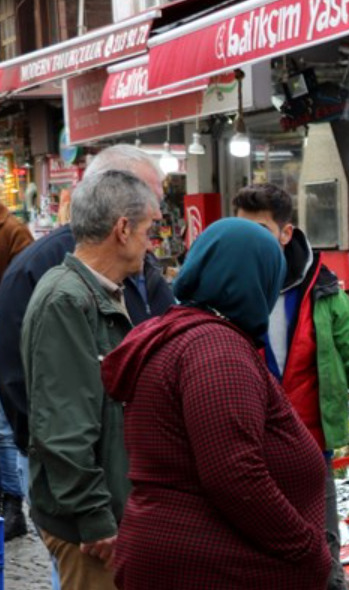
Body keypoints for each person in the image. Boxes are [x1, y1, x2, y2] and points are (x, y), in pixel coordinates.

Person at [101, 218, 331, 590]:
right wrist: (307, 549)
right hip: (208, 568)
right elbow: (234, 474)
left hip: (189, 559)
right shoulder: (216, 350)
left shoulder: (186, 332)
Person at [234, 183, 349, 589]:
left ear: (286, 233)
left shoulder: (325, 291)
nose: (250, 244)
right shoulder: (227, 292)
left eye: (261, 231)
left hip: (311, 449)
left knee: (323, 560)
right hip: (244, 453)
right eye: (241, 231)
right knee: (255, 562)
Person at [0, 144, 174, 489]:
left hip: (133, 463)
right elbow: (20, 381)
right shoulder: (42, 273)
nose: (156, 214)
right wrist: (70, 475)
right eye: (145, 199)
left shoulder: (140, 261)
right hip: (80, 477)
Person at [21, 170, 162, 590]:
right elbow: (63, 428)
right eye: (149, 228)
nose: (152, 241)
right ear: (122, 229)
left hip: (109, 513)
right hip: (89, 530)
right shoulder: (66, 300)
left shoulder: (96, 292)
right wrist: (95, 517)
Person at [0, 200, 33, 541]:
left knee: (4, 430)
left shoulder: (13, 231)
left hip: (4, 341)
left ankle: (13, 504)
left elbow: (22, 291)